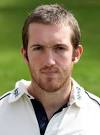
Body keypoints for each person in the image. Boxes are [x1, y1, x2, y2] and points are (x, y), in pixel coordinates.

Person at [0, 4, 100, 135]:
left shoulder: (96, 116)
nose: (49, 61)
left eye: (60, 48)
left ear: (76, 54)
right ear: (25, 55)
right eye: (38, 48)